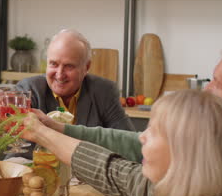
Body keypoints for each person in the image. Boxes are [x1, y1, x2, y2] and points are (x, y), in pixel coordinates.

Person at [31, 46, 222, 196]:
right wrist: (45, 129)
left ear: (184, 149)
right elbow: (108, 168)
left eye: (217, 83)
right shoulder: (166, 184)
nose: (141, 137)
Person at [14, 29, 135, 159]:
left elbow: (129, 145)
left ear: (86, 67)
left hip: (88, 175)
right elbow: (18, 153)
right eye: (54, 64)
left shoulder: (104, 91)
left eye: (69, 66)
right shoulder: (29, 90)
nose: (60, 74)